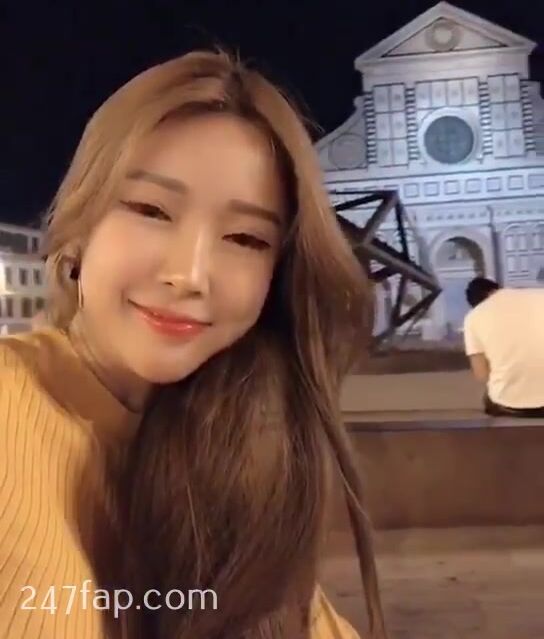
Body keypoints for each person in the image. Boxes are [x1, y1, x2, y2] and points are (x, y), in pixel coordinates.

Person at [0, 51, 386, 639]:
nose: (190, 274)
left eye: (245, 238)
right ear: (80, 226)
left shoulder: (246, 447)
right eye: (152, 210)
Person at [463, 276, 544, 416]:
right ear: (496, 289)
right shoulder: (539, 295)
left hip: (511, 405)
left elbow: (481, 374)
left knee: (491, 396)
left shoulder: (473, 317)